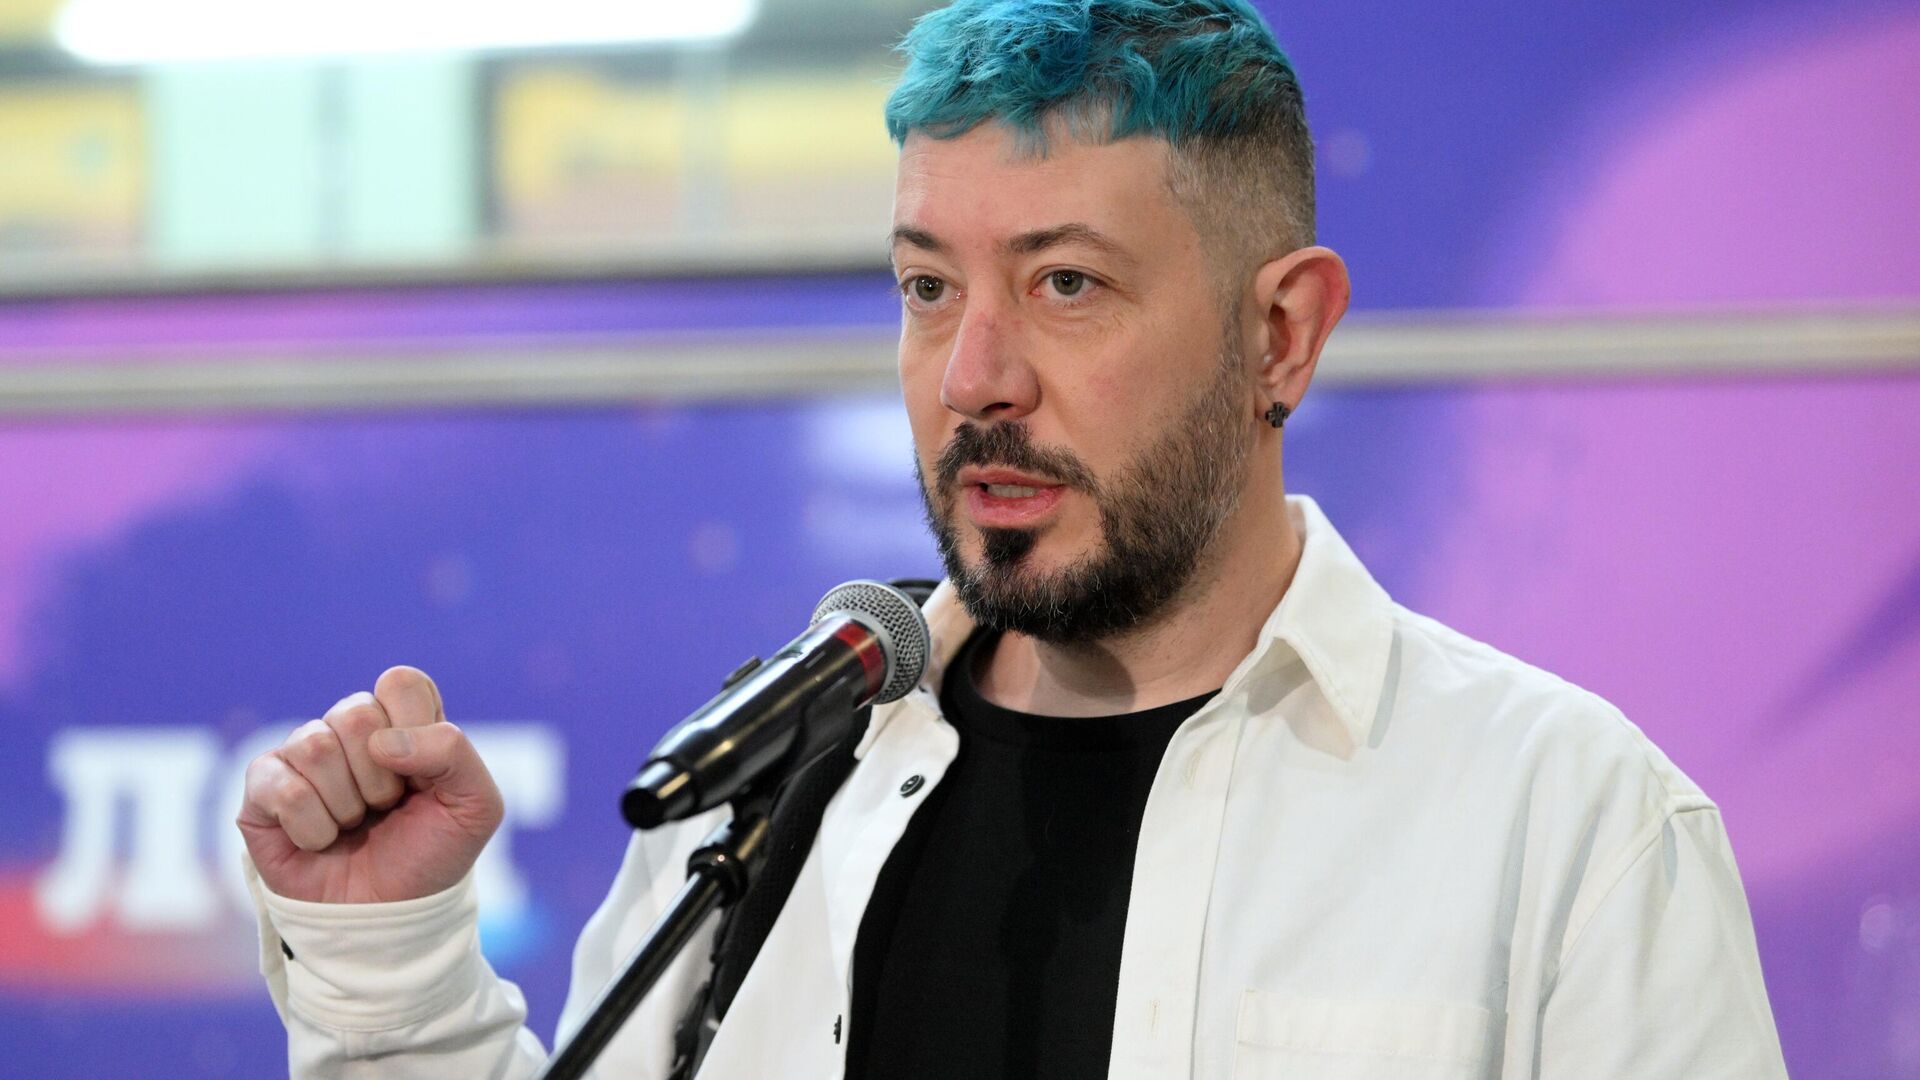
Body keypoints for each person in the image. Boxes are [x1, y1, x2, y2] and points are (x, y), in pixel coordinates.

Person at [236, 1, 1790, 1077]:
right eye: (929, 288)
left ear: (1281, 335)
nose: (972, 378)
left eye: (1066, 284)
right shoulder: (781, 780)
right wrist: (390, 965)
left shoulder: (1572, 827)